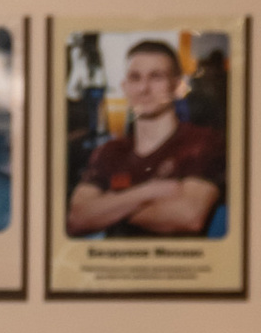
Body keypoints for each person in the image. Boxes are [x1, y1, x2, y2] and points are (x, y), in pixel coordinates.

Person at [67, 36, 224, 238]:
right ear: (125, 87)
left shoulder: (203, 143)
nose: (143, 88)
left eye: (156, 77)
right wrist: (150, 191)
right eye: (135, 78)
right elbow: (76, 219)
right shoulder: (109, 151)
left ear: (177, 87)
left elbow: (189, 216)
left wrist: (107, 206)